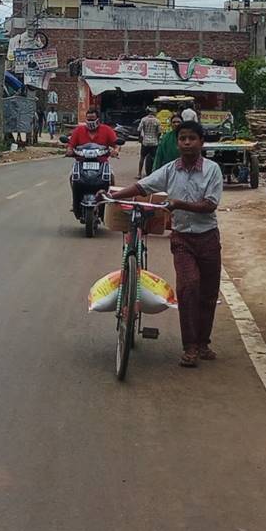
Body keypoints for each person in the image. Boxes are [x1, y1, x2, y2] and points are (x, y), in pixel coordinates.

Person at [111, 119, 225, 367]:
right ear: (177, 142)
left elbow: (210, 205)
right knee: (188, 287)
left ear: (201, 142)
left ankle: (203, 342)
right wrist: (113, 195)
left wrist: (177, 204)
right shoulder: (171, 169)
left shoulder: (212, 170)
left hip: (208, 238)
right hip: (182, 238)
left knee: (207, 293)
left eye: (191, 138)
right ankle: (190, 347)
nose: (186, 143)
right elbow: (143, 185)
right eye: (182, 138)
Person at [67, 107, 118, 212]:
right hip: (81, 162)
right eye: (88, 119)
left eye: (92, 119)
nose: (90, 121)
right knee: (72, 177)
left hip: (102, 163)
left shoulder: (107, 130)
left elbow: (116, 144)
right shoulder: (79, 130)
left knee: (111, 178)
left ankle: (110, 200)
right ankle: (75, 201)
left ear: (98, 119)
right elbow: (70, 145)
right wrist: (69, 151)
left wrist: (115, 151)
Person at [135, 108, 162, 177]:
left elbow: (139, 129)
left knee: (142, 158)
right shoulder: (157, 121)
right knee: (155, 158)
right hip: (154, 142)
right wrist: (157, 139)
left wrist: (140, 138)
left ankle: (139, 173)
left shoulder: (144, 119)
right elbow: (159, 132)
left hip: (145, 142)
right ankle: (155, 173)